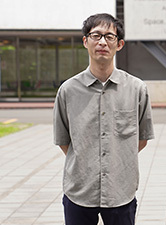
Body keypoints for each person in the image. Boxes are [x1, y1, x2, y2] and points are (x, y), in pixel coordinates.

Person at [53, 13, 154, 225]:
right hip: (79, 191)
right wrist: (89, 161)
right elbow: (64, 141)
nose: (102, 42)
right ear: (85, 41)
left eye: (109, 37)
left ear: (120, 44)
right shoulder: (68, 91)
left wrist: (116, 159)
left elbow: (142, 138)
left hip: (121, 191)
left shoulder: (136, 89)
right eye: (96, 35)